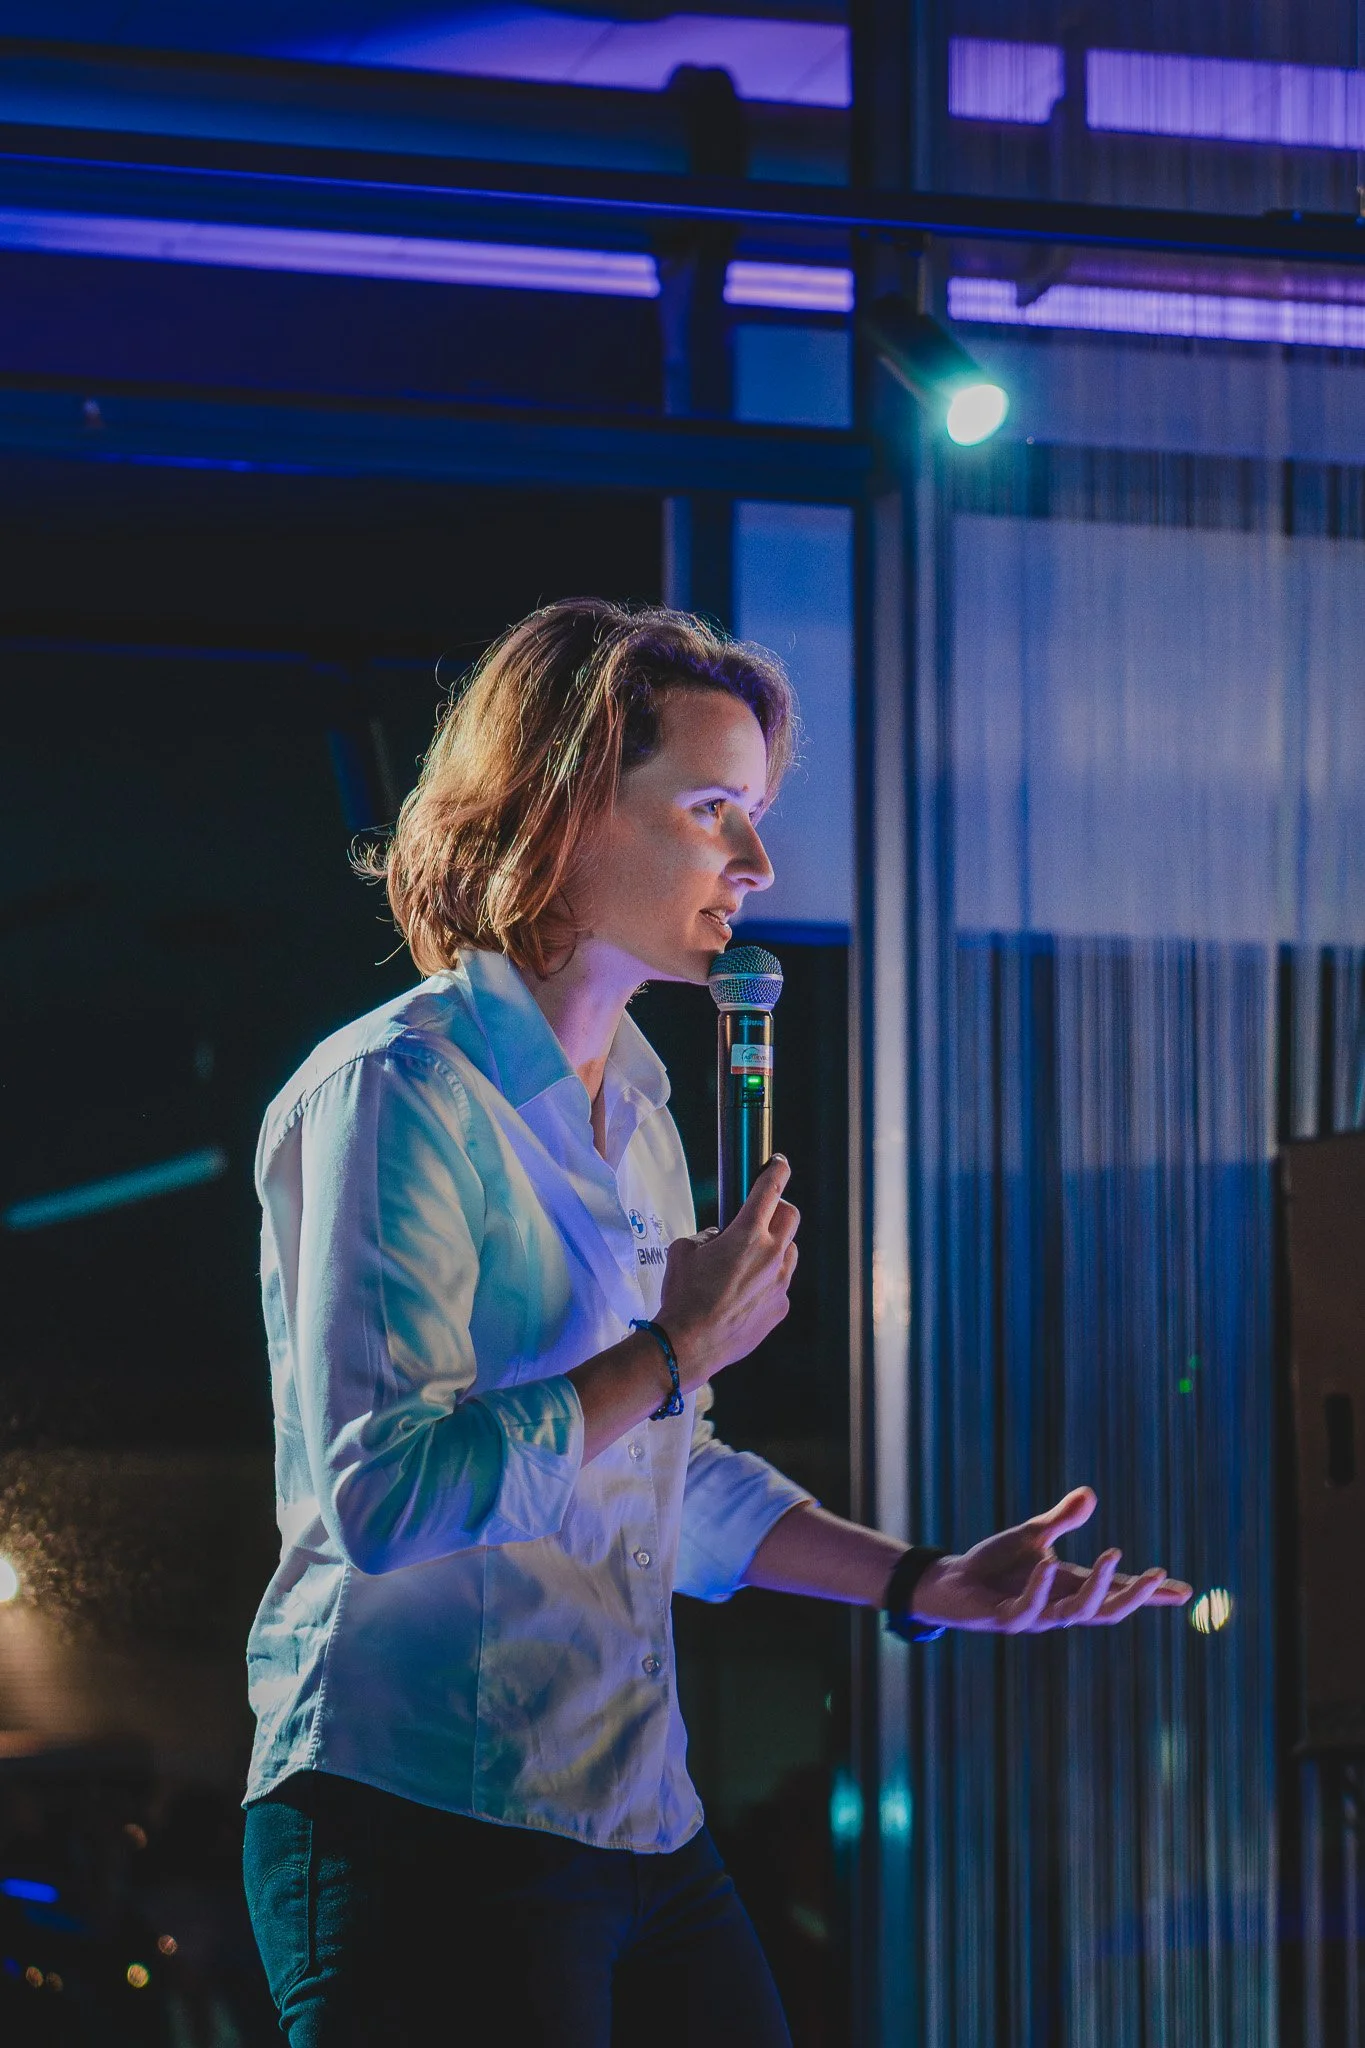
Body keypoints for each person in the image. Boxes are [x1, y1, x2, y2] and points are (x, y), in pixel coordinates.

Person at [240, 599, 1191, 2047]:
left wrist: (927, 1582)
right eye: (712, 811)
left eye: (753, 816)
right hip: (420, 1809)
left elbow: (660, 1482)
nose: (754, 862)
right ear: (564, 812)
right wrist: (669, 1352)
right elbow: (387, 1493)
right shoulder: (399, 1092)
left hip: (632, 1812)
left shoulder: (643, 1118)